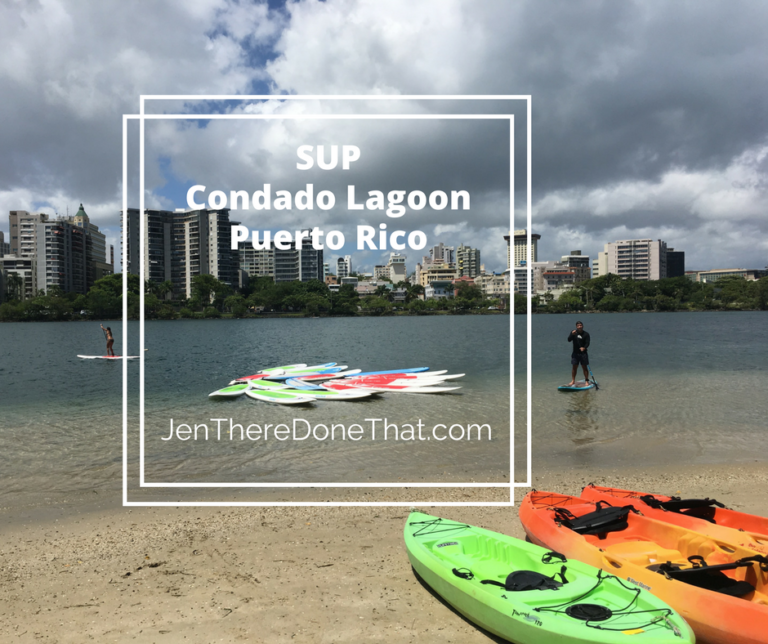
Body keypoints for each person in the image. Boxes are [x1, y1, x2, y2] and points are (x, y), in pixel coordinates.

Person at [567, 321, 590, 386]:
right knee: (574, 367)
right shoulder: (574, 333)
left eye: (581, 325)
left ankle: (586, 381)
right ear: (576, 327)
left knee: (584, 367)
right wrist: (572, 334)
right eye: (578, 325)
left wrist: (584, 348)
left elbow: (587, 343)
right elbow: (569, 340)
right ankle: (573, 381)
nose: (580, 326)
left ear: (582, 326)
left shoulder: (586, 334)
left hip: (583, 353)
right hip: (575, 353)